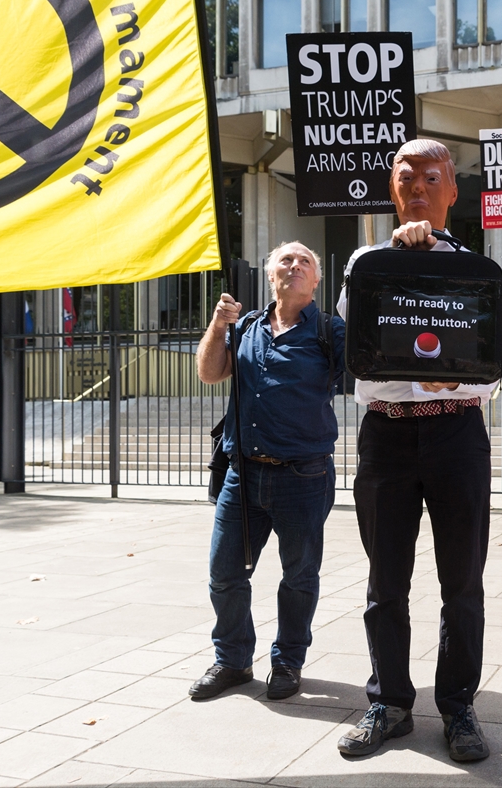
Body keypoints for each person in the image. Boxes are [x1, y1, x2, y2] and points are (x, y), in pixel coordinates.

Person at [335, 139, 495, 762]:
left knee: (462, 583)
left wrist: (461, 380)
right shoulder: (366, 262)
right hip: (387, 436)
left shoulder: (477, 270)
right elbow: (357, 343)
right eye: (408, 177)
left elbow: (489, 367)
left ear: (453, 191)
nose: (420, 187)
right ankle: (391, 703)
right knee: (385, 581)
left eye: (433, 177)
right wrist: (394, 261)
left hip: (456, 434)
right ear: (392, 188)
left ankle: (458, 708)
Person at [190, 241, 343, 702]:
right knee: (224, 573)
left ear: (316, 280)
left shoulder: (330, 331)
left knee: (299, 577)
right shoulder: (247, 325)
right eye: (286, 260)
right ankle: (233, 661)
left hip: (304, 477)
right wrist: (218, 325)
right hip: (242, 474)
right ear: (269, 273)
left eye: (306, 261)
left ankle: (288, 661)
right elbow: (209, 373)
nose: (295, 266)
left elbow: (367, 377)